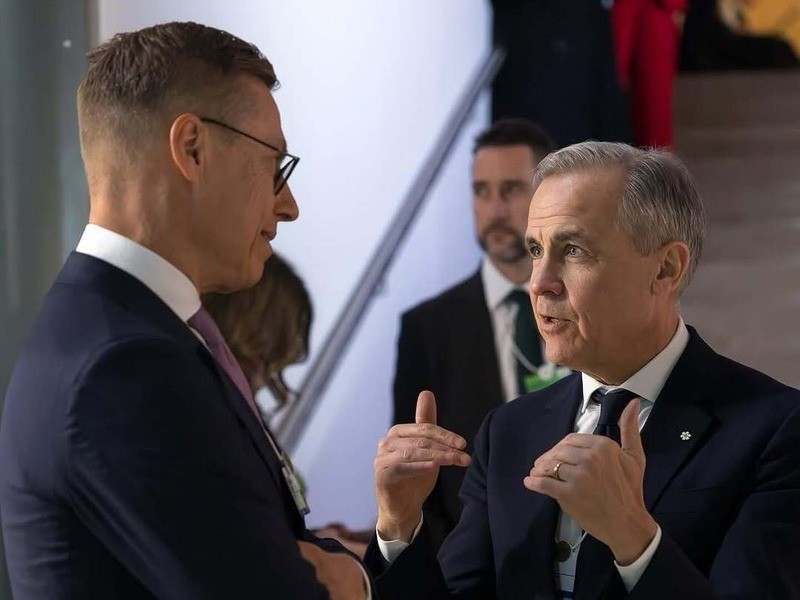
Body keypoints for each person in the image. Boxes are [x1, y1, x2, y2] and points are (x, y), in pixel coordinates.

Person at [0, 22, 368, 599]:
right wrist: (349, 580)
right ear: (192, 148)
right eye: (274, 165)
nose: (288, 205)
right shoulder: (127, 365)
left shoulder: (110, 328)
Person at [367, 141, 800, 598]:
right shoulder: (507, 432)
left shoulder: (777, 430)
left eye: (572, 250)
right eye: (536, 250)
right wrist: (398, 526)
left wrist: (634, 538)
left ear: (665, 269)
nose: (539, 282)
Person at [393, 118, 566, 549]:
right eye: (481, 191)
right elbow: (415, 473)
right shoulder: (427, 328)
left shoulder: (593, 308)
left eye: (511, 190)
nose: (494, 210)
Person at [204, 253, 371, 557]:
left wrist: (318, 540)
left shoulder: (238, 409)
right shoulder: (211, 411)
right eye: (268, 353)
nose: (268, 373)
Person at [611, 0, 688, 148]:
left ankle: (654, 161)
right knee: (605, 88)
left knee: (655, 96)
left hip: (657, 7)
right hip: (612, 8)